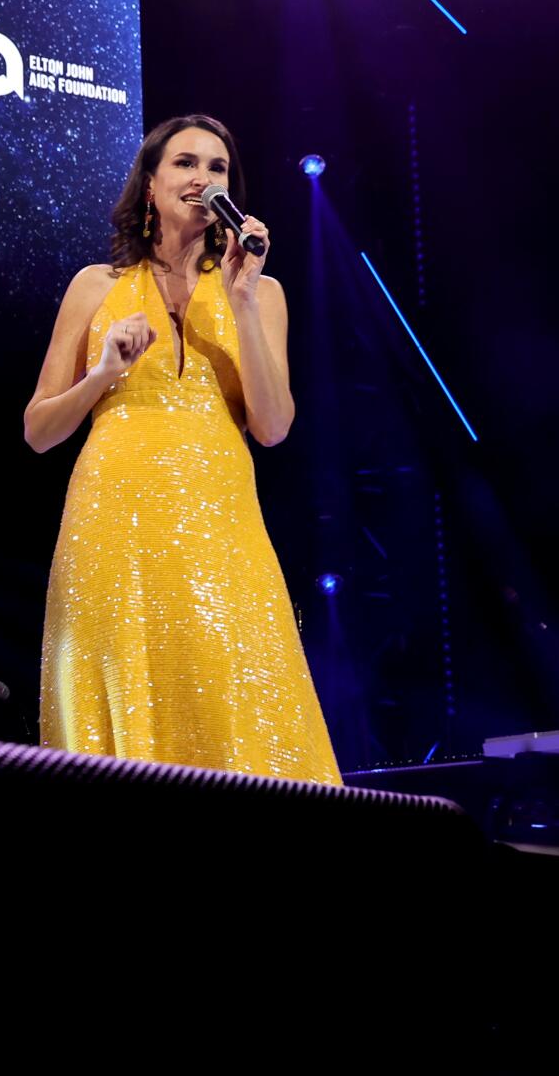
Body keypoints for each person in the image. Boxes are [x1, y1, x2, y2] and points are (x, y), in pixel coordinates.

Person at [23, 114, 339, 784]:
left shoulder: (263, 292)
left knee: (240, 686)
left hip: (221, 521)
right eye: (186, 163)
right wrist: (103, 374)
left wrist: (243, 298)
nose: (203, 178)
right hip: (113, 519)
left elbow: (274, 424)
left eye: (218, 168)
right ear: (150, 185)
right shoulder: (95, 286)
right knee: (125, 689)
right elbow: (39, 430)